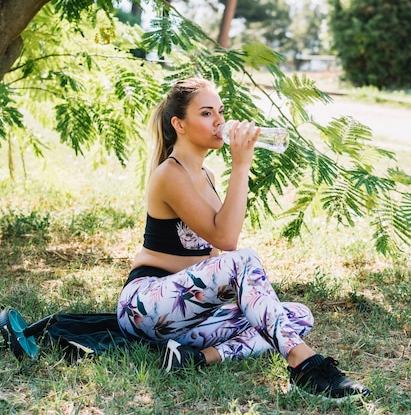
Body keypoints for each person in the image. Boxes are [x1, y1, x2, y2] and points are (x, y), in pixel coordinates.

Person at [116, 77, 370, 403]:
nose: (220, 122)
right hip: (145, 307)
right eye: (207, 113)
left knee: (296, 315)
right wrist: (241, 165)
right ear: (179, 124)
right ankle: (306, 365)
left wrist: (249, 302)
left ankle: (198, 358)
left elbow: (218, 246)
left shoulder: (206, 176)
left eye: (220, 111)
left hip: (186, 318)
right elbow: (229, 241)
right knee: (245, 261)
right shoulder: (170, 174)